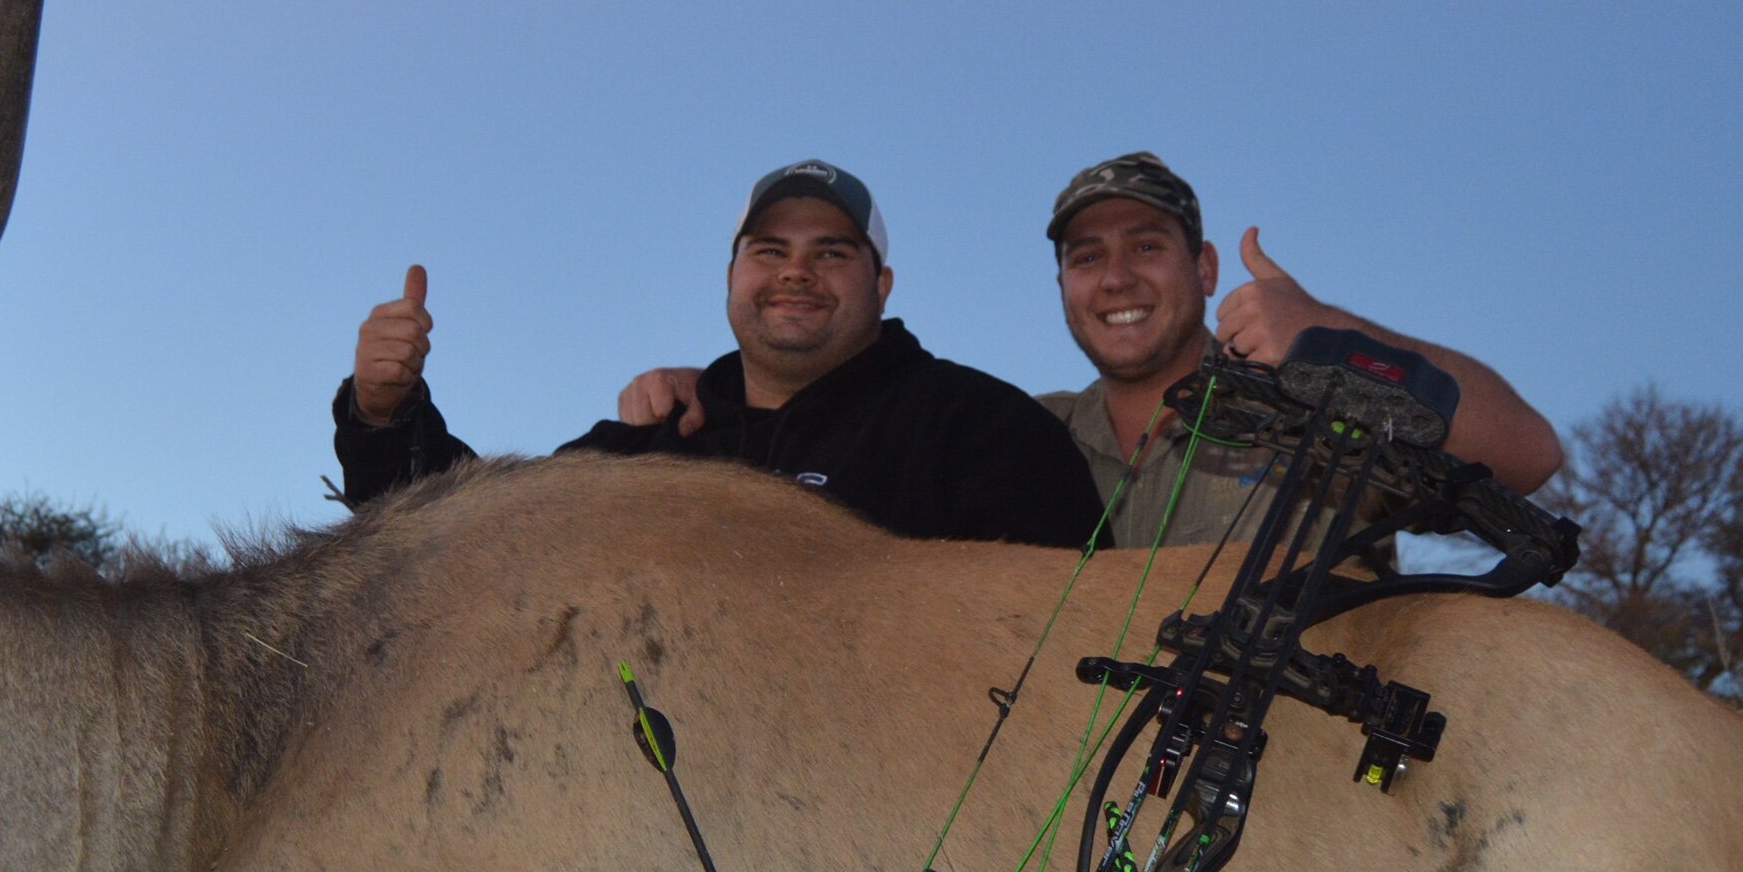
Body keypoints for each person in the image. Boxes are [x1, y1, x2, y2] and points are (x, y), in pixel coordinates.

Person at [622, 152, 1563, 553]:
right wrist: (709, 390)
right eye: (1086, 258)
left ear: (1200, 266)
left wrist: (1337, 337)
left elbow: (1528, 453)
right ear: (1063, 287)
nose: (1114, 279)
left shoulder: (1319, 395)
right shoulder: (1021, 433)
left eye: (1145, 248)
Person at [332, 160, 1105, 548]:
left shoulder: (984, 431)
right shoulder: (640, 445)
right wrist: (385, 411)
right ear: (733, 278)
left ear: (883, 283)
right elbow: (472, 537)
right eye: (770, 251)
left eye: (832, 252)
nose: (795, 271)